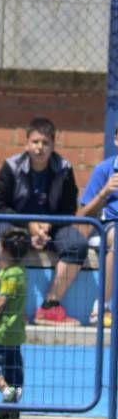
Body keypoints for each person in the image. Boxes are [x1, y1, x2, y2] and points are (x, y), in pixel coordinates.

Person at [0, 117, 86, 326]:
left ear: (53, 145)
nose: (40, 147)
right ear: (26, 144)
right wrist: (29, 226)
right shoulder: (11, 166)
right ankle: (14, 308)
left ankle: (50, 306)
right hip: (15, 225)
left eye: (45, 143)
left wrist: (48, 225)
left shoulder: (64, 169)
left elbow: (69, 209)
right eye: (35, 142)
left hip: (52, 227)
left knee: (77, 244)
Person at [0, 227, 31, 419]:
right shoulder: (19, 272)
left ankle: (6, 390)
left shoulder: (10, 276)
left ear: (6, 251)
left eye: (0, 247)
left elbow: (2, 299)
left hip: (3, 331)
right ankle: (12, 408)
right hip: (17, 332)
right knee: (13, 368)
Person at [76, 126, 118, 328]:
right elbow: (83, 215)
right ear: (116, 140)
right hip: (110, 225)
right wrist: (104, 192)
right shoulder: (104, 170)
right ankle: (103, 307)